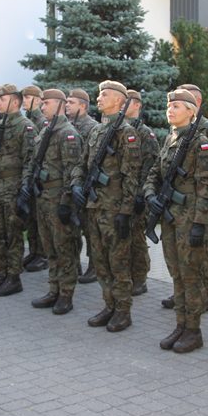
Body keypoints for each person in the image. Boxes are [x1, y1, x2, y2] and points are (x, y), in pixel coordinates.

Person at [144, 89, 208, 352]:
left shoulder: (200, 143)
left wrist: (199, 223)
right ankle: (181, 324)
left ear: (191, 111)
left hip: (189, 218)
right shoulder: (170, 138)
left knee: (190, 275)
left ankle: (193, 330)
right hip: (170, 217)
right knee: (176, 273)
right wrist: (150, 195)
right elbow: (155, 172)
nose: (170, 110)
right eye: (169, 106)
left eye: (176, 106)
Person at [71, 80, 141, 332]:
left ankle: (123, 311)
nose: (99, 98)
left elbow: (132, 176)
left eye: (105, 94)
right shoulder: (97, 131)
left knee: (118, 262)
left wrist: (125, 212)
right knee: (100, 261)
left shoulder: (126, 133)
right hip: (94, 207)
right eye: (99, 94)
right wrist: (77, 185)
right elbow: (81, 164)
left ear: (120, 101)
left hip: (114, 210)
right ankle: (109, 305)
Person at [161, 84, 208, 313]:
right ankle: (184, 296)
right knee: (181, 259)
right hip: (177, 207)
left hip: (198, 204)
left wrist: (206, 205)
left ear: (195, 104)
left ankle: (203, 296)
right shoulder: (174, 132)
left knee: (200, 256)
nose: (171, 109)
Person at [21, 89, 83, 314]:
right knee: (50, 248)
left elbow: (72, 171)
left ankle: (66, 294)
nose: (42, 106)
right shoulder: (46, 130)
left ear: (59, 104)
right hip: (43, 198)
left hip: (58, 200)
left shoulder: (68, 134)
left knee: (64, 248)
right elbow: (34, 161)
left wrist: (67, 203)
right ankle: (53, 289)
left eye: (46, 103)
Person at [0, 84, 36, 296]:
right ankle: (1, 273)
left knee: (12, 234)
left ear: (14, 101)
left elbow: (30, 161)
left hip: (13, 186)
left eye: (2, 99)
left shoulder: (25, 126)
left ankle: (13, 278)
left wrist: (24, 189)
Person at [125, 89, 160, 296]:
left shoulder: (145, 133)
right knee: (124, 238)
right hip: (121, 193)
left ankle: (140, 278)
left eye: (127, 102)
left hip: (137, 194)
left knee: (137, 239)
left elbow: (150, 166)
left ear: (137, 105)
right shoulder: (119, 129)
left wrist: (141, 194)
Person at [65, 88, 99, 283]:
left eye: (71, 102)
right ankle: (74, 265)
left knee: (89, 230)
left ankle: (94, 267)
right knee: (71, 229)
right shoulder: (68, 125)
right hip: (70, 183)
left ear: (83, 106)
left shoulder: (92, 127)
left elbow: (91, 160)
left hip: (85, 187)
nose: (67, 105)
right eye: (66, 102)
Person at [21, 85, 48, 272]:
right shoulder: (27, 119)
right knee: (30, 217)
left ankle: (42, 254)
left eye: (28, 98)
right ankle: (33, 251)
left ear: (38, 100)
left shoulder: (42, 121)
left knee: (39, 218)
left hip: (38, 176)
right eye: (23, 98)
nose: (24, 101)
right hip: (28, 173)